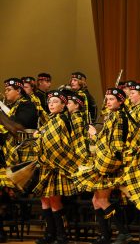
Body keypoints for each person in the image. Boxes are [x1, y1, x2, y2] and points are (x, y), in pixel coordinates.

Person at [74, 88, 132, 244]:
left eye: (111, 99)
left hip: (110, 165)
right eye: (106, 99)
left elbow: (116, 146)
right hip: (104, 162)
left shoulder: (119, 117)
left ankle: (123, 233)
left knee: (101, 200)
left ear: (121, 101)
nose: (107, 101)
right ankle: (105, 235)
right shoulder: (112, 115)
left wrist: (95, 136)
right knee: (96, 201)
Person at [32, 90, 82, 244]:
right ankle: (50, 235)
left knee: (54, 201)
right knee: (44, 200)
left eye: (55, 101)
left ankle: (61, 236)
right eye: (50, 101)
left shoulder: (61, 120)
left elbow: (59, 146)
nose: (51, 104)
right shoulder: (50, 120)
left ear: (63, 105)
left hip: (56, 166)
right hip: (47, 165)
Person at [0, 78, 38, 243]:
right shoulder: (11, 108)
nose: (6, 92)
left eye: (9, 89)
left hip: (22, 160)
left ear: (19, 90)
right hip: (6, 157)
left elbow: (17, 127)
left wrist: (0, 113)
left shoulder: (27, 106)